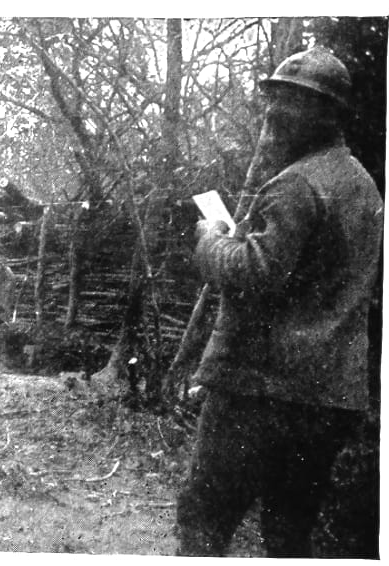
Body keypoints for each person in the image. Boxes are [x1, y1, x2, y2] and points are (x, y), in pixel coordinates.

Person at [174, 47, 383, 557]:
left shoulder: (296, 183)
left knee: (204, 518)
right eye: (275, 99)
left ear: (325, 113)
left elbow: (254, 273)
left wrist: (210, 239)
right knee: (289, 533)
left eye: (291, 101)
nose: (274, 114)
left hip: (261, 390)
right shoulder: (364, 187)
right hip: (328, 398)